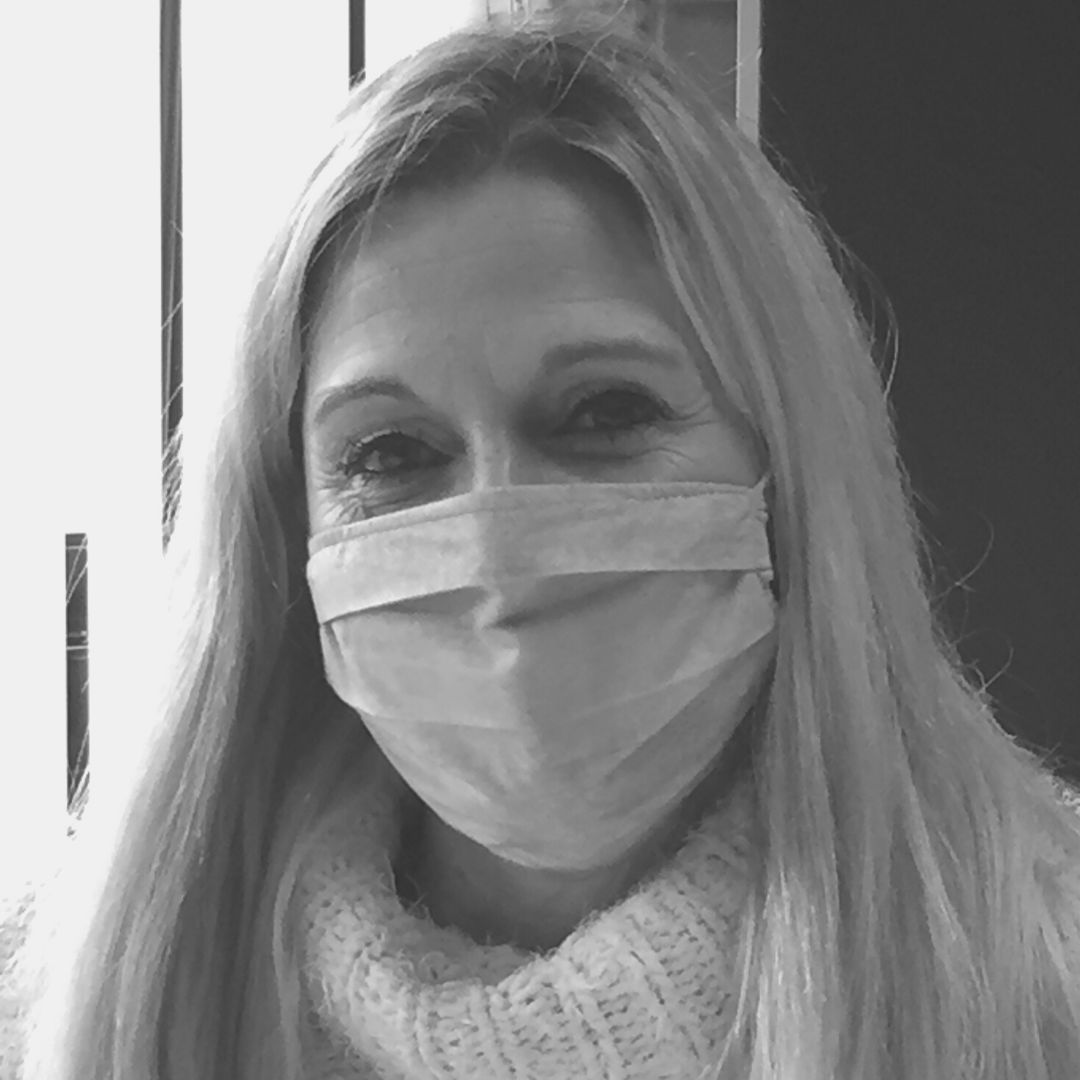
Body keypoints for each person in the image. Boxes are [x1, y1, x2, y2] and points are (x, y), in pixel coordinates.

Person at [3, 9, 1080, 1080]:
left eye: (606, 412)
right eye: (388, 452)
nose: (498, 556)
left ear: (784, 460)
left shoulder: (1044, 975)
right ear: (286, 533)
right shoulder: (72, 997)